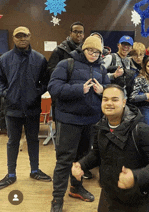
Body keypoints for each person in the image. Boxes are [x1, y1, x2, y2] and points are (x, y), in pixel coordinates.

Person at [71, 84, 149, 212]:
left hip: (139, 201)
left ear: (124, 102)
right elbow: (97, 153)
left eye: (114, 99)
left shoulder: (141, 130)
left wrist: (135, 176)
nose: (109, 103)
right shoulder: (101, 127)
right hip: (109, 196)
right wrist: (81, 165)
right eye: (105, 99)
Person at [48, 36, 110, 212]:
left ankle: (76, 188)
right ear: (84, 49)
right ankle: (57, 199)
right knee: (64, 160)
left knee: (82, 159)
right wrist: (78, 89)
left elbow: (110, 89)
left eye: (97, 52)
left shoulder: (101, 68)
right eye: (91, 50)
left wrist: (102, 90)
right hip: (68, 120)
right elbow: (53, 87)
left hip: (91, 121)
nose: (93, 54)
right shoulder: (67, 64)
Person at [0, 26, 51, 190]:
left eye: (25, 36)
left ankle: (34, 170)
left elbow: (46, 81)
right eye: (18, 36)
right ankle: (11, 174)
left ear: (30, 37)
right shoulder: (4, 59)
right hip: (12, 108)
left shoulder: (40, 59)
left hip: (32, 108)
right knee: (12, 142)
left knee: (33, 140)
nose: (22, 39)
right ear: (14, 39)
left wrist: (36, 93)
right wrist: (6, 93)